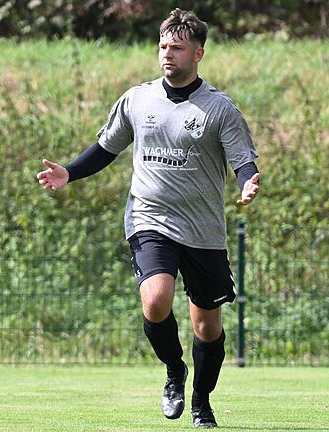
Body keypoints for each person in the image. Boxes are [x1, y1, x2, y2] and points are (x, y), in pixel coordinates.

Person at [36, 8, 260, 429]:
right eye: (162, 47)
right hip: (149, 218)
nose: (167, 55)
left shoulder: (219, 108)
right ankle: (175, 371)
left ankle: (201, 402)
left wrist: (247, 182)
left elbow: (242, 160)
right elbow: (107, 148)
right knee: (155, 301)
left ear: (198, 54)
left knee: (207, 327)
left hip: (203, 230)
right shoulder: (138, 99)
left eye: (177, 48)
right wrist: (70, 171)